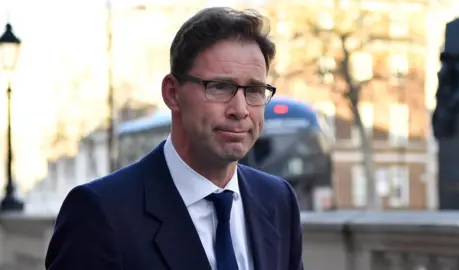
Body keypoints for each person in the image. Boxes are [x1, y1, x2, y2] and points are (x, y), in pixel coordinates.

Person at [45, 6, 303, 270]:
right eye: (220, 87)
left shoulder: (278, 200)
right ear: (172, 93)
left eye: (255, 90)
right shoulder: (99, 213)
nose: (240, 109)